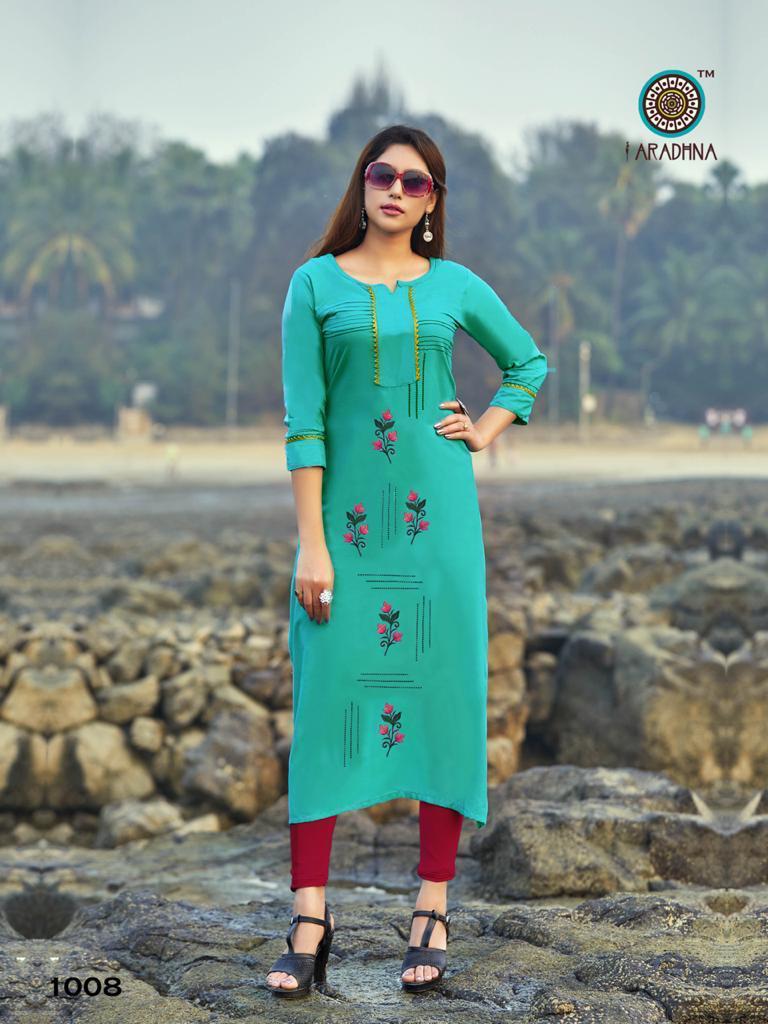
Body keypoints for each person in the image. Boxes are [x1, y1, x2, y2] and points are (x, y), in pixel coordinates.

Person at [266, 124, 548, 997]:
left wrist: (486, 429)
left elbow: (527, 363)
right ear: (362, 184)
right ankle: (310, 918)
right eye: (382, 174)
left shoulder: (454, 284)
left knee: (442, 700)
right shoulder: (314, 284)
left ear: (432, 201)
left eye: (415, 182)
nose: (395, 189)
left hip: (439, 528)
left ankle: (432, 906)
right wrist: (313, 543)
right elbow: (305, 424)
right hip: (345, 533)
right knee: (324, 703)